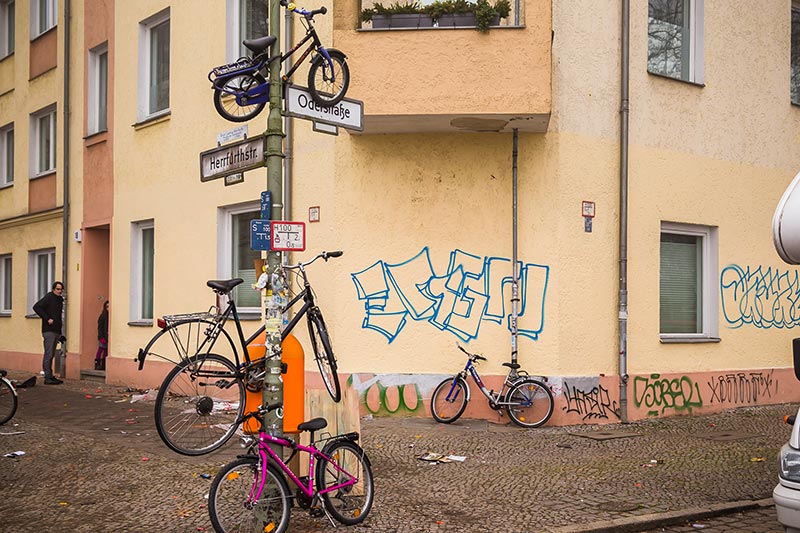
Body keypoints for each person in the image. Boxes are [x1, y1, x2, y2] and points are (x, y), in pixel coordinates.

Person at [32, 281, 65, 385]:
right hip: (48, 330)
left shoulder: (59, 300)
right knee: (49, 354)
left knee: (51, 355)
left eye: (61, 289)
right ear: (53, 289)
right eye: (58, 289)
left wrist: (60, 334)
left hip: (55, 330)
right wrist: (47, 318)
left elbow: (58, 317)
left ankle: (50, 376)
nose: (60, 291)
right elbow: (36, 307)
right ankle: (47, 377)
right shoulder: (49, 297)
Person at [95, 301, 109, 370]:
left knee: (106, 350)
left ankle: (104, 364)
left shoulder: (109, 316)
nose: (108, 308)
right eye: (107, 307)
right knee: (101, 349)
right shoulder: (103, 316)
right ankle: (97, 363)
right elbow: (100, 327)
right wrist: (101, 337)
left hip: (107, 336)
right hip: (102, 336)